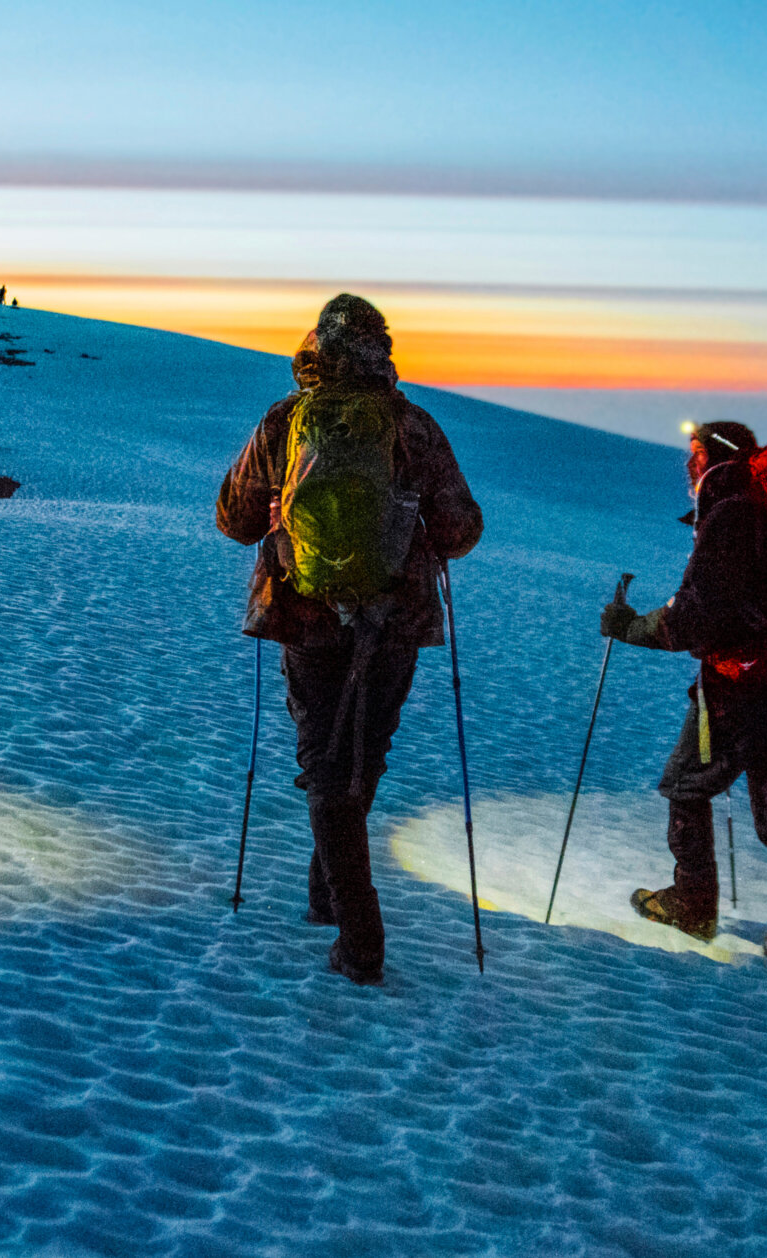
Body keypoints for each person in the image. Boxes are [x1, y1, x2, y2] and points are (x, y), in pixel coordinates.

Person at [216, 294, 484, 986]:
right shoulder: (411, 427)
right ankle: (330, 897)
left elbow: (234, 519)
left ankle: (357, 932)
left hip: (305, 614)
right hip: (396, 620)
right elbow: (460, 529)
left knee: (324, 760)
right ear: (381, 352)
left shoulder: (286, 421)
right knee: (362, 757)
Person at [599, 422, 767, 988]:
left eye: (693, 454)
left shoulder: (733, 513)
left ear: (710, 458)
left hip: (738, 684)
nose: (688, 466)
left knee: (686, 785)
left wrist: (629, 627)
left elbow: (692, 619)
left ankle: (692, 904)